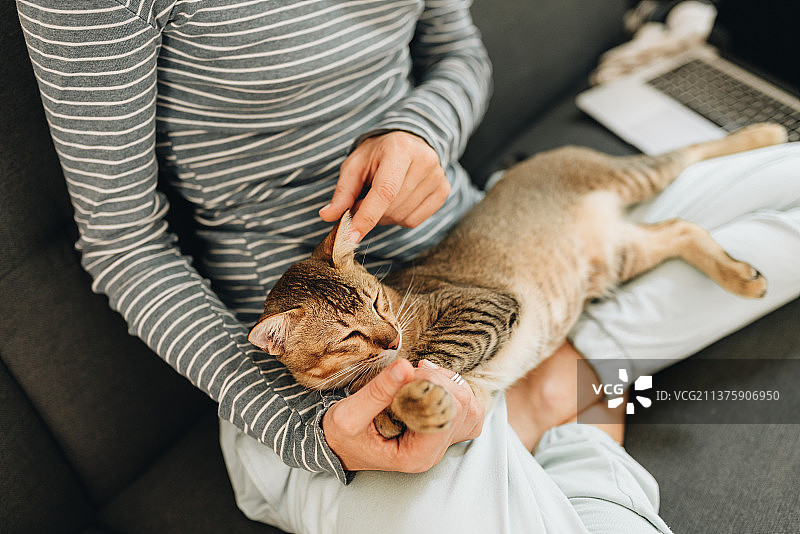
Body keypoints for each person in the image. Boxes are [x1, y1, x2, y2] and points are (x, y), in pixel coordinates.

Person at [17, 0, 800, 532]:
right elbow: (124, 246)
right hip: (311, 389)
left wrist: (423, 131)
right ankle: (577, 403)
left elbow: (459, 53)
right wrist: (310, 426)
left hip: (491, 253)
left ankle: (552, 364)